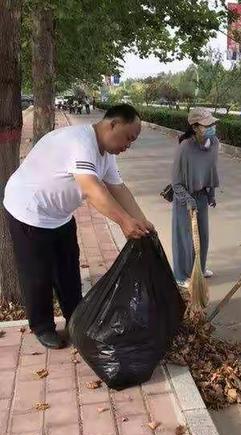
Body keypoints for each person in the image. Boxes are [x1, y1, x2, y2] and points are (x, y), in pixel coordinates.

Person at [4, 104, 154, 349]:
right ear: (112, 124)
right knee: (37, 273)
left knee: (68, 269)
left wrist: (142, 220)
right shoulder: (81, 142)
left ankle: (76, 318)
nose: (128, 145)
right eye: (128, 137)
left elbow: (118, 189)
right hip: (28, 211)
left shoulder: (106, 155)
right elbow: (93, 190)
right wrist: (125, 222)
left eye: (133, 141)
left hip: (59, 214)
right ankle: (42, 326)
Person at [171, 107, 219, 288]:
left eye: (213, 123)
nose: (212, 127)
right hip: (184, 196)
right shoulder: (185, 147)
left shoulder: (214, 143)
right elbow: (176, 181)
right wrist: (187, 199)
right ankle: (181, 275)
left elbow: (211, 170)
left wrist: (211, 192)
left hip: (202, 195)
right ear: (195, 127)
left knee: (203, 236)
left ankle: (199, 269)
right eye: (207, 125)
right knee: (185, 237)